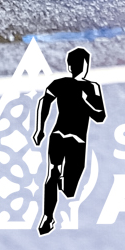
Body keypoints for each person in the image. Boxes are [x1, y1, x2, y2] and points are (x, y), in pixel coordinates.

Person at [32, 46, 106, 235]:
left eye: (82, 64)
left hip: (71, 139)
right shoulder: (62, 84)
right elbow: (44, 102)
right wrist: (40, 128)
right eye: (78, 64)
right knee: (53, 172)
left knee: (69, 188)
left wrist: (84, 102)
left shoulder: (91, 87)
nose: (80, 67)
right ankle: (48, 216)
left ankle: (59, 186)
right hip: (63, 136)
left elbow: (100, 116)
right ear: (71, 66)